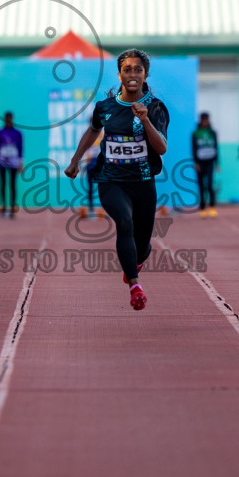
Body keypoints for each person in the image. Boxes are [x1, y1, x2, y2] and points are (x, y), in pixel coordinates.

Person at [64, 48, 170, 312]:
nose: (132, 74)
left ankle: (135, 262)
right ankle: (135, 286)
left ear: (145, 74)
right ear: (120, 73)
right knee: (123, 222)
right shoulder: (106, 107)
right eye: (127, 69)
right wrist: (75, 160)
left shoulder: (155, 107)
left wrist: (145, 120)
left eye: (138, 69)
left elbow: (162, 148)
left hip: (143, 183)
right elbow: (93, 131)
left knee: (142, 245)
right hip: (111, 179)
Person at [0, 112, 24, 218]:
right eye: (7, 119)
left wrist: (21, 162)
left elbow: (20, 148)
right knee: (2, 184)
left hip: (14, 161)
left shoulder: (18, 133)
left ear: (12, 119)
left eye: (10, 118)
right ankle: (3, 206)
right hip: (2, 161)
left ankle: (12, 207)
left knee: (12, 184)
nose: (8, 120)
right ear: (4, 119)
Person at [192, 112, 219, 217]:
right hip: (200, 162)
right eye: (203, 120)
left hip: (210, 161)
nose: (205, 122)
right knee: (201, 185)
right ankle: (202, 208)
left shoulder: (212, 133)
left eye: (206, 120)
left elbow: (216, 147)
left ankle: (212, 207)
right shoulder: (196, 133)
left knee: (210, 184)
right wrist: (195, 163)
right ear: (200, 120)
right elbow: (193, 148)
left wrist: (217, 163)